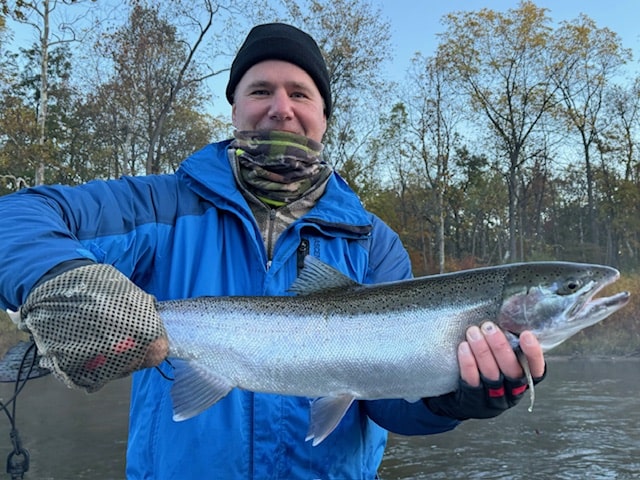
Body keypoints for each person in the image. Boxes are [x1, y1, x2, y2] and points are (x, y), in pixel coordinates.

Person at [0, 23, 546, 479]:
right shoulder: (159, 206)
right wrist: (63, 277)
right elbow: (15, 216)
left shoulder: (371, 241)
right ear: (235, 107)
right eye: (261, 90)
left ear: (323, 117)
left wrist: (454, 396)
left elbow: (385, 403)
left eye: (300, 93)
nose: (280, 108)